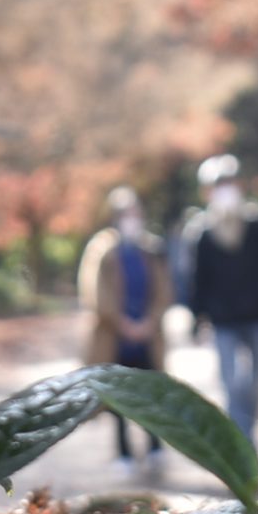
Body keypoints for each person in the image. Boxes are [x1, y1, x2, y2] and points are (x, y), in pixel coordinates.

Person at [181, 153, 258, 442]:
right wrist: (196, 317)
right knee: (232, 384)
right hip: (224, 321)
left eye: (229, 183)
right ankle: (243, 443)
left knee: (254, 384)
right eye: (218, 185)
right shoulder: (203, 234)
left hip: (257, 316)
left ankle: (248, 431)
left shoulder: (257, 226)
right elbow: (198, 280)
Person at [77, 186, 172, 475]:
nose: (132, 219)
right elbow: (95, 293)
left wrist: (149, 321)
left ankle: (155, 446)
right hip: (115, 338)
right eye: (126, 214)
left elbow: (163, 290)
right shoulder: (103, 250)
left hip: (147, 338)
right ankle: (124, 452)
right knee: (117, 397)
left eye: (135, 213)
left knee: (150, 394)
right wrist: (122, 323)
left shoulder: (150, 249)